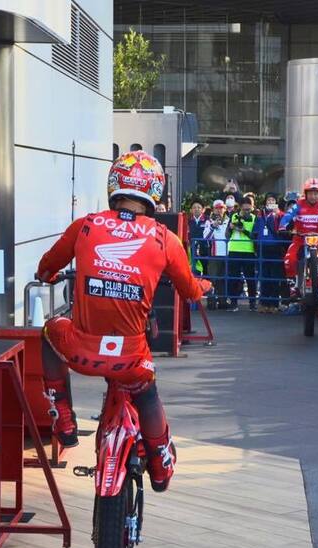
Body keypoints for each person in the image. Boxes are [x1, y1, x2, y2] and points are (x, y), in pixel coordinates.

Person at [35, 150, 211, 492]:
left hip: (80, 352)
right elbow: (191, 291)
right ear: (155, 192)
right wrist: (202, 285)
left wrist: (48, 275)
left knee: (49, 331)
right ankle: (160, 465)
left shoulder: (85, 225)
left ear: (114, 185)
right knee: (146, 393)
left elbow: (46, 265)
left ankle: (64, 419)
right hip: (131, 358)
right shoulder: (165, 239)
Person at [278, 178, 318, 296]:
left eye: (316, 193)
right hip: (299, 239)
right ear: (306, 194)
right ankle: (292, 285)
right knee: (289, 258)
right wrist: (282, 226)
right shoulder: (298, 205)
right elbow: (288, 216)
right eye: (310, 193)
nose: (313, 196)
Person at [226, 197, 259, 311]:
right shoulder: (233, 216)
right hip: (234, 250)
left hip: (249, 251)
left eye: (249, 209)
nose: (247, 212)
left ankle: (252, 303)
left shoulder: (254, 218)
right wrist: (231, 227)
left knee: (250, 279)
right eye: (245, 210)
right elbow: (227, 235)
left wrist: (242, 230)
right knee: (233, 278)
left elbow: (254, 236)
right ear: (240, 208)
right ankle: (233, 303)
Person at [257, 193, 285, 313]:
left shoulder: (281, 214)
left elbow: (283, 228)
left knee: (274, 277)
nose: (270, 202)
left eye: (273, 200)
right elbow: (256, 230)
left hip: (276, 247)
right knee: (263, 276)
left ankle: (274, 303)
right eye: (269, 200)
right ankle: (263, 303)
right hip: (262, 248)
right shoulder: (260, 215)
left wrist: (277, 214)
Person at [203, 199, 230, 309]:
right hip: (214, 254)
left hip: (227, 254)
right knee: (212, 279)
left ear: (225, 209)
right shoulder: (209, 221)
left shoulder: (229, 220)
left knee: (223, 279)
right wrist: (213, 226)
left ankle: (223, 301)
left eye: (221, 208)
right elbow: (205, 237)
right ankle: (211, 301)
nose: (219, 210)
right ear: (213, 209)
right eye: (217, 208)